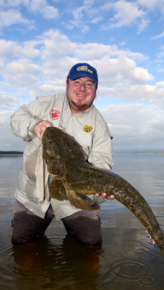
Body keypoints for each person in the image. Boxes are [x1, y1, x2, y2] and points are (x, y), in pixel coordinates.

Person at [10, 62, 114, 246]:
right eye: (77, 81)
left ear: (96, 92)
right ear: (67, 84)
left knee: (91, 246)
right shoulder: (44, 103)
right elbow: (17, 117)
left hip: (75, 200)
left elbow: (102, 165)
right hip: (33, 195)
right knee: (22, 244)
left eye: (89, 84)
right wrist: (34, 125)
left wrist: (100, 193)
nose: (82, 88)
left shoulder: (100, 126)